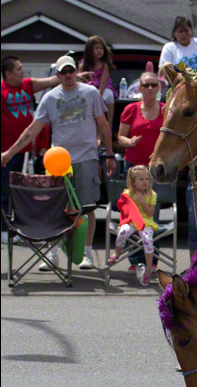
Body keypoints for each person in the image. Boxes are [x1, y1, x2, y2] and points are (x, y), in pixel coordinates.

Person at [1, 55, 115, 270]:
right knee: (55, 208)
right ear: (58, 75)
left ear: (75, 72)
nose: (69, 75)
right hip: (58, 162)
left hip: (87, 157)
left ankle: (87, 253)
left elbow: (104, 125)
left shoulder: (90, 93)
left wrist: (108, 155)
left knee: (87, 207)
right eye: (64, 72)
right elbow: (32, 130)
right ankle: (52, 254)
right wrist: (8, 153)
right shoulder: (50, 98)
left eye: (71, 71)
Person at [1, 56, 83, 244]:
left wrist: (77, 74)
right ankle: (4, 229)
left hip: (24, 149)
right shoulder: (2, 91)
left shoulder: (27, 85)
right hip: (5, 149)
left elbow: (54, 79)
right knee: (5, 189)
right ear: (8, 73)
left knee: (21, 190)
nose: (23, 72)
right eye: (19, 69)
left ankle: (19, 228)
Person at [118, 71, 166, 273]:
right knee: (132, 213)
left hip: (156, 167)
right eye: (145, 85)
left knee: (153, 213)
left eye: (153, 85)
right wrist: (129, 142)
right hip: (134, 167)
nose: (149, 88)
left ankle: (152, 261)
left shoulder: (166, 110)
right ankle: (134, 259)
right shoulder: (131, 109)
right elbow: (120, 137)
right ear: (139, 88)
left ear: (159, 88)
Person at [109, 165, 159, 284]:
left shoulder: (152, 194)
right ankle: (117, 252)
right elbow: (124, 209)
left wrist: (142, 202)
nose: (145, 182)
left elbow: (151, 213)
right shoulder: (127, 194)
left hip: (146, 222)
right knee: (123, 231)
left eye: (147, 179)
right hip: (130, 220)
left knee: (147, 239)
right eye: (141, 179)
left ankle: (148, 267)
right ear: (133, 182)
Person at [77, 35, 117, 130]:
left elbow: (103, 82)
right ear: (89, 50)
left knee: (109, 96)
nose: (99, 51)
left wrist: (98, 94)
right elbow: (81, 84)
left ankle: (109, 125)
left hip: (103, 88)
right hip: (88, 89)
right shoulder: (83, 65)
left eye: (101, 48)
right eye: (96, 48)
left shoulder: (105, 64)